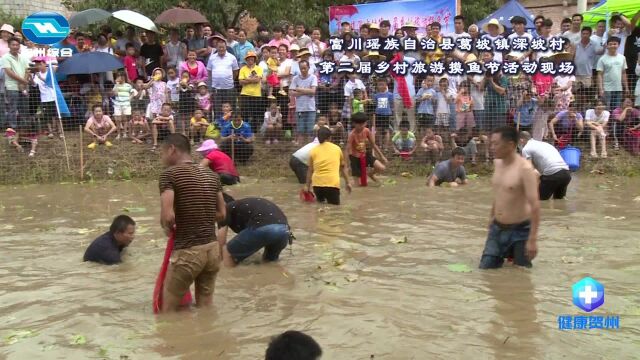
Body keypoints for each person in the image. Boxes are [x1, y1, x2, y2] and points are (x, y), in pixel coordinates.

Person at [158, 134, 225, 312]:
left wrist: (168, 228)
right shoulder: (212, 176)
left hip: (188, 251)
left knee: (168, 312)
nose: (162, 157)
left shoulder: (169, 175)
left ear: (172, 149)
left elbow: (168, 217)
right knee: (205, 308)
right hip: (212, 250)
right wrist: (201, 218)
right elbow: (222, 213)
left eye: (163, 152)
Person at [480, 127, 540, 269]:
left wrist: (532, 240)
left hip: (521, 230)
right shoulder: (497, 163)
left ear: (511, 145)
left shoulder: (525, 169)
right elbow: (499, 193)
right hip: (497, 227)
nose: (492, 147)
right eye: (491, 143)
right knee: (486, 270)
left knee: (522, 274)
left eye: (496, 144)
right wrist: (491, 218)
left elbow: (535, 205)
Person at [218, 196, 292, 267]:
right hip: (284, 230)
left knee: (227, 251)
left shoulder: (225, 209)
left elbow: (221, 240)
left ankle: (230, 278)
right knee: (269, 263)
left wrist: (219, 259)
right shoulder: (244, 206)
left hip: (264, 227)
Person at [305, 127, 352, 205]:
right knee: (334, 210)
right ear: (330, 137)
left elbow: (310, 170)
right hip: (332, 184)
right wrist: (348, 183)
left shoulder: (313, 151)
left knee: (320, 207)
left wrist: (307, 186)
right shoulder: (337, 149)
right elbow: (343, 168)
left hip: (317, 185)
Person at [519, 131, 571, 200]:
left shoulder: (526, 148)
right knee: (559, 201)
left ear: (521, 140)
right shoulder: (545, 144)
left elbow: (528, 169)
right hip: (566, 174)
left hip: (552, 175)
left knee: (539, 201)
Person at [347, 112, 387, 182]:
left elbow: (373, 144)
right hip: (355, 159)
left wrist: (382, 156)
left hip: (365, 155)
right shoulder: (352, 135)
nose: (362, 126)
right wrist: (348, 164)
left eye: (364, 124)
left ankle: (371, 174)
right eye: (359, 124)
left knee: (382, 168)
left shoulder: (367, 131)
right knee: (357, 185)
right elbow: (348, 149)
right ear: (354, 124)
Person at [289, 60, 318, 145]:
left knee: (310, 131)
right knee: (300, 131)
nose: (303, 70)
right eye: (301, 68)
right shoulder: (295, 78)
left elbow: (313, 91)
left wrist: (299, 89)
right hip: (300, 108)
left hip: (311, 108)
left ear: (309, 68)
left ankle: (310, 151)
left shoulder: (313, 77)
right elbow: (291, 92)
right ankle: (301, 150)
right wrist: (307, 91)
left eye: (305, 68)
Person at [596, 37, 629, 110]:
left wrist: (626, 87)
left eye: (615, 44)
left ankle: (614, 122)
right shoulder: (602, 59)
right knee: (606, 108)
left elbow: (624, 73)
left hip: (618, 88)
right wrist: (601, 89)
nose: (613, 46)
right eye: (610, 44)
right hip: (607, 88)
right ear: (607, 46)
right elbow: (599, 75)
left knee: (616, 109)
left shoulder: (622, 58)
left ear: (618, 45)